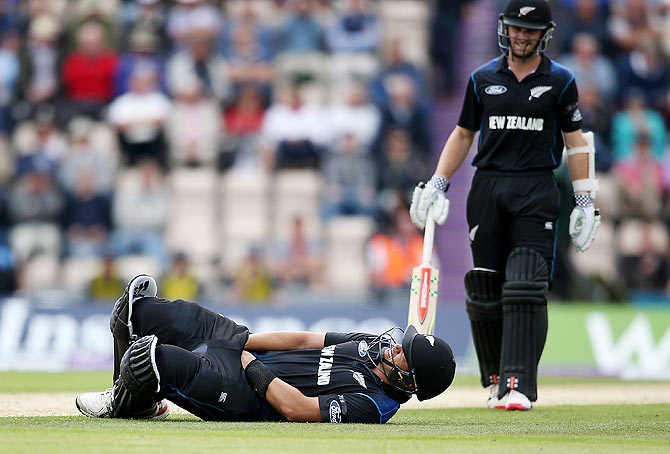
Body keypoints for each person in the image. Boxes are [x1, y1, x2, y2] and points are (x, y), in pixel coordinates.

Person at [409, 0, 600, 411]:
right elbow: (462, 134)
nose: (522, 36)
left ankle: (520, 385)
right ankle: (497, 378)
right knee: (484, 289)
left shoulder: (561, 81)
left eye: (530, 31)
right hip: (488, 188)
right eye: (516, 28)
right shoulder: (481, 79)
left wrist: (584, 199)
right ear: (505, 29)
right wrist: (438, 184)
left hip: (536, 187)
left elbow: (576, 140)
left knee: (526, 287)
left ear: (544, 34)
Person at [75, 275, 456, 423]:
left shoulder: (374, 405)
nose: (394, 349)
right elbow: (307, 339)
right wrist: (241, 341)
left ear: (411, 381)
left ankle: (125, 398)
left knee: (150, 358)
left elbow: (297, 408)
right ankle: (136, 401)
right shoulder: (371, 347)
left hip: (246, 395)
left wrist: (250, 363)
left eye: (404, 353)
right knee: (134, 310)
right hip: (243, 353)